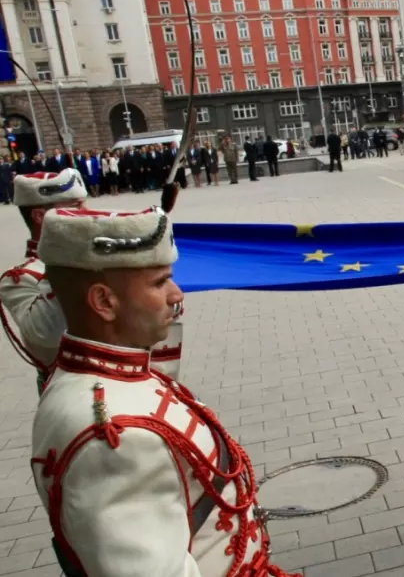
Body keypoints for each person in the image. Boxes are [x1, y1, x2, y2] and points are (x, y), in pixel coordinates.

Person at [30, 206, 296, 577]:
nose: (177, 293)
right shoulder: (119, 438)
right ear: (104, 302)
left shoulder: (104, 375)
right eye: (159, 283)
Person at [0, 169, 86, 392]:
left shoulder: (92, 253)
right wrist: (62, 257)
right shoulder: (19, 278)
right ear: (41, 216)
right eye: (75, 206)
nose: (87, 212)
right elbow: (47, 335)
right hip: (71, 389)